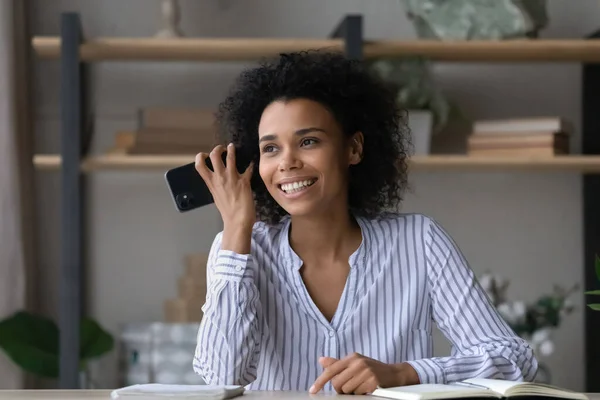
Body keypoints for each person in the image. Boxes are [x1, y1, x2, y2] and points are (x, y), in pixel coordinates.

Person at [192, 50, 538, 395]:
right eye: (270, 149)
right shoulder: (238, 251)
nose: (287, 162)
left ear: (353, 149)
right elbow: (223, 378)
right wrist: (237, 228)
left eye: (308, 141)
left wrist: (404, 373)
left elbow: (513, 360)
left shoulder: (419, 242)